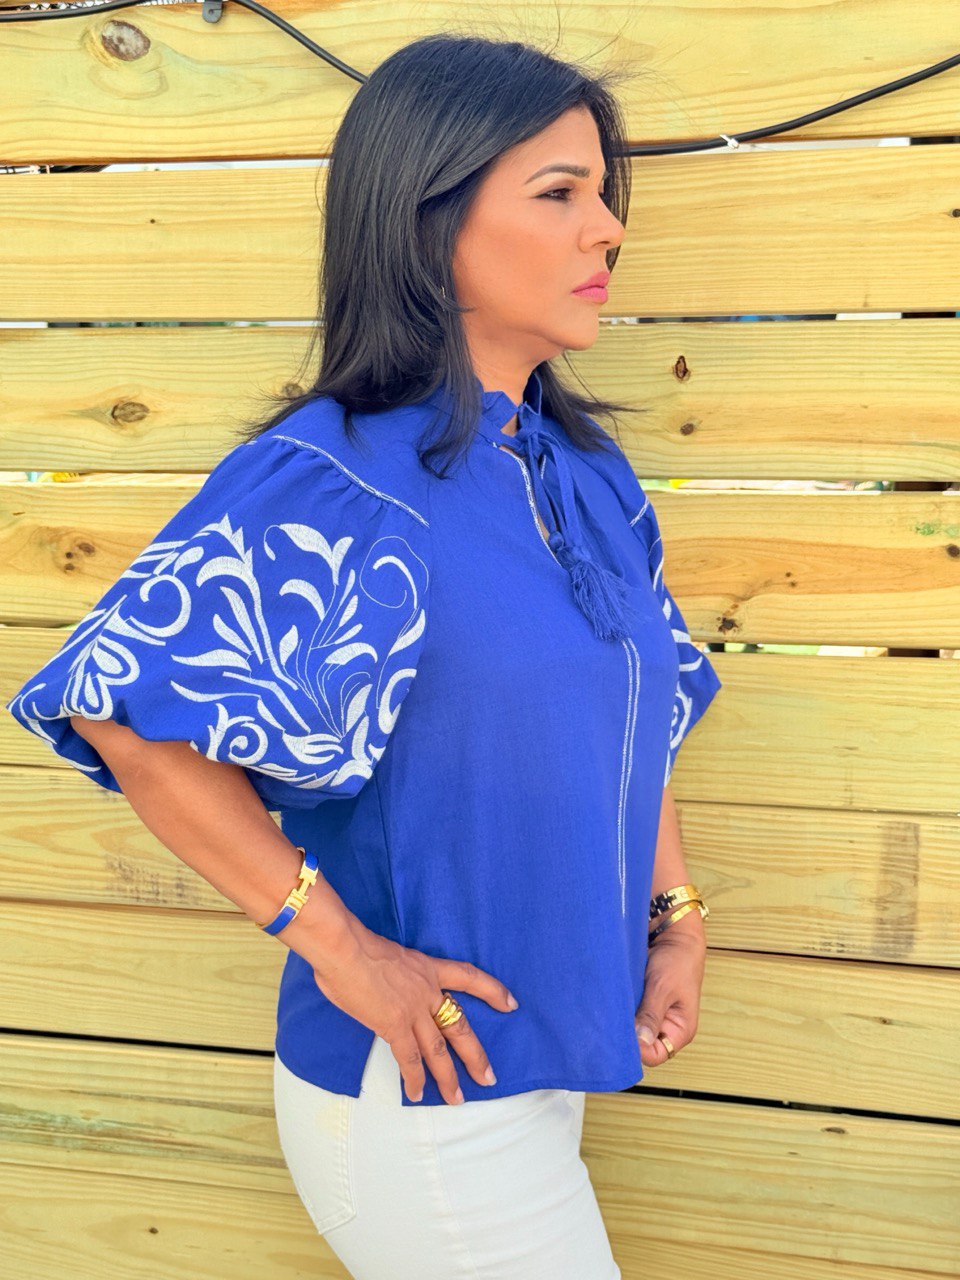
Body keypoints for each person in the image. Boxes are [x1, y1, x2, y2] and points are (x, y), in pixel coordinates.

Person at [5, 32, 722, 1280]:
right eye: (560, 192)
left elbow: (633, 713)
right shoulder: (340, 478)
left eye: (604, 194)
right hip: (421, 1097)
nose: (608, 228)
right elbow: (122, 705)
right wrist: (343, 949)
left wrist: (675, 916)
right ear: (426, 219)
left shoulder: (588, 477)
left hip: (550, 1057)